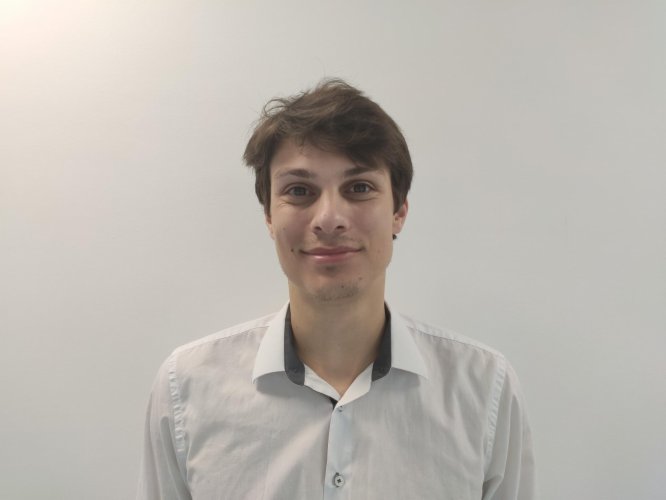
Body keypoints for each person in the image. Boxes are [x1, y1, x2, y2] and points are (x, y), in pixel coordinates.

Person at [137, 79, 536, 500]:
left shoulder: (484, 390)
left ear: (399, 211)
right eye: (299, 191)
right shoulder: (186, 390)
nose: (329, 218)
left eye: (359, 188)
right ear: (269, 215)